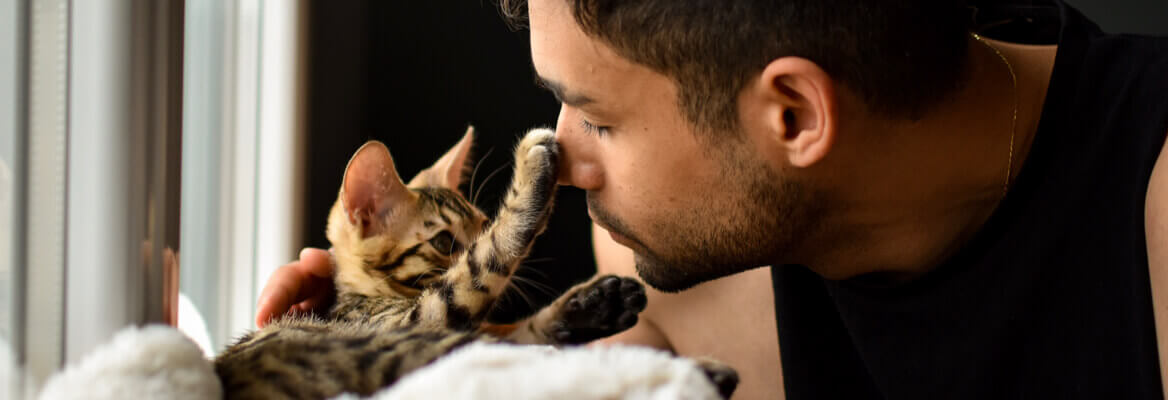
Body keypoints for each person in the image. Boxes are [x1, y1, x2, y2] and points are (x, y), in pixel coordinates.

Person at [257, 0, 1168, 398]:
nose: (563, 161)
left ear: (793, 113)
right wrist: (400, 369)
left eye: (597, 118)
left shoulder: (1152, 221)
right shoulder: (664, 269)